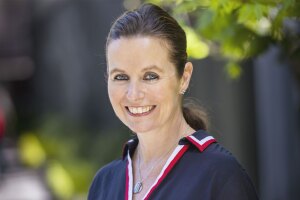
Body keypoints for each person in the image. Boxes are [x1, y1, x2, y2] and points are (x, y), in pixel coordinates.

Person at [88, 3, 258, 200]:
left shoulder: (220, 176)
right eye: (120, 77)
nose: (133, 94)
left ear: (184, 77)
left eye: (150, 76)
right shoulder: (104, 182)